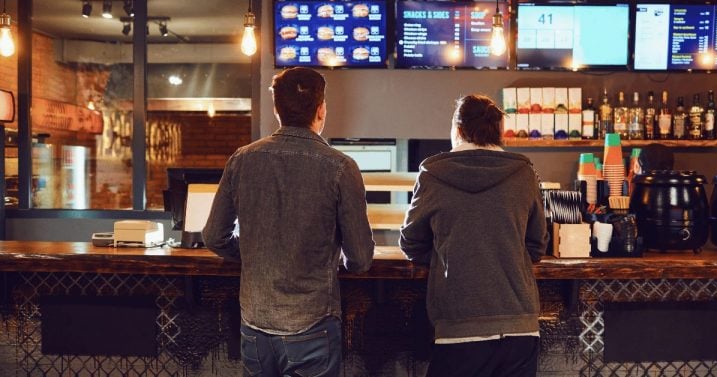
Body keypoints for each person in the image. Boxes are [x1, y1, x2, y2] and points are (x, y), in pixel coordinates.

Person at [202, 67, 375, 377]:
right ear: (321, 110)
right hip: (313, 321)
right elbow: (360, 258)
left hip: (256, 321)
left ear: (276, 110)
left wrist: (253, 253)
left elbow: (214, 236)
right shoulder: (341, 167)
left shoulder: (242, 159)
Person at [399, 94, 548, 377]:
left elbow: (411, 243)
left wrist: (449, 254)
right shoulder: (524, 173)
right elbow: (537, 245)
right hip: (520, 325)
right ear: (499, 132)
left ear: (457, 131)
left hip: (459, 325)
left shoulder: (433, 175)